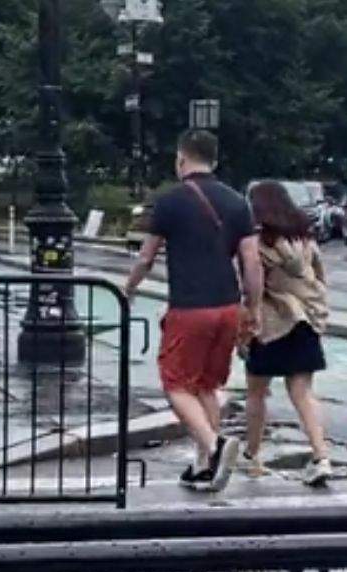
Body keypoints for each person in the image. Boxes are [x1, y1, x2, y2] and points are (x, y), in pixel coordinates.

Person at [124, 130, 263, 493]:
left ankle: (214, 447)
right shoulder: (237, 202)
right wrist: (254, 307)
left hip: (190, 307)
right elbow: (251, 262)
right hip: (228, 307)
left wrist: (128, 289)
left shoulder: (170, 202)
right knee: (206, 385)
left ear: (181, 159)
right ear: (214, 160)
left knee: (175, 384)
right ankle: (203, 465)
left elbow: (145, 257)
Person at [240, 180, 332, 487]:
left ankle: (252, 454)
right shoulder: (304, 237)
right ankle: (321, 456)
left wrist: (245, 321)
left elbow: (250, 284)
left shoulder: (257, 241)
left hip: (270, 323)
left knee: (256, 392)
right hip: (305, 321)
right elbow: (320, 276)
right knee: (303, 394)